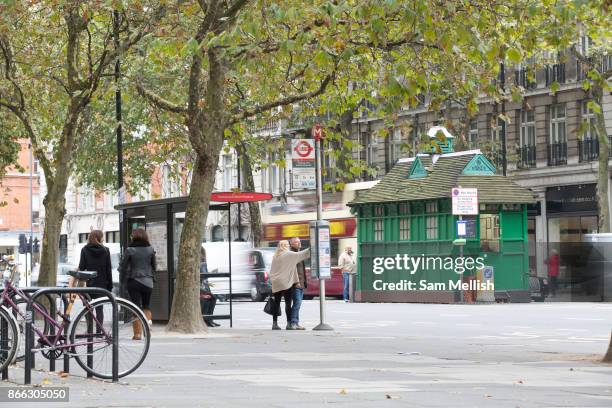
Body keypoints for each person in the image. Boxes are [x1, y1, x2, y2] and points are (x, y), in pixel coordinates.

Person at [118, 228, 156, 340]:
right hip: (148, 282)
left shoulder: (130, 250)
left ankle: (137, 334)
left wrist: (123, 277)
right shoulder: (150, 249)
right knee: (146, 306)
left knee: (135, 306)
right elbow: (154, 266)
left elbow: (122, 267)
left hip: (133, 281)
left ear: (134, 237)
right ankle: (147, 330)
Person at [269, 240, 310, 330]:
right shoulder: (288, 254)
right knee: (288, 304)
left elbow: (272, 270)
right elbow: (301, 254)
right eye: (287, 245)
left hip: (276, 282)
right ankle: (288, 324)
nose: (288, 246)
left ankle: (274, 324)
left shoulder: (275, 256)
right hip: (286, 282)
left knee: (277, 303)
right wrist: (312, 247)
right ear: (285, 246)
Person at [77, 230, 113, 328]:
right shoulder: (106, 250)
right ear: (99, 238)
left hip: (88, 284)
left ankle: (89, 331)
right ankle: (99, 332)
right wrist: (110, 286)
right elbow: (108, 269)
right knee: (99, 309)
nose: (103, 238)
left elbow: (82, 267)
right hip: (102, 284)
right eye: (102, 236)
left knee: (88, 308)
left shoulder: (84, 249)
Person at [289, 237, 307, 330]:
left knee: (298, 304)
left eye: (299, 242)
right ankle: (293, 323)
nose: (299, 243)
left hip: (301, 283)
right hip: (296, 284)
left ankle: (296, 322)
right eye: (297, 242)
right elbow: (293, 271)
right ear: (291, 244)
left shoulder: (298, 253)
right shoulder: (292, 254)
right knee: (297, 303)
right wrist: (296, 282)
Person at [200, 247, 219, 327]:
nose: (203, 257)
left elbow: (205, 276)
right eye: (202, 255)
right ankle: (206, 320)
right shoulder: (201, 264)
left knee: (213, 297)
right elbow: (203, 276)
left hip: (203, 288)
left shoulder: (203, 264)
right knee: (207, 298)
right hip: (199, 289)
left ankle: (209, 319)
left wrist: (211, 273)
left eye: (203, 255)